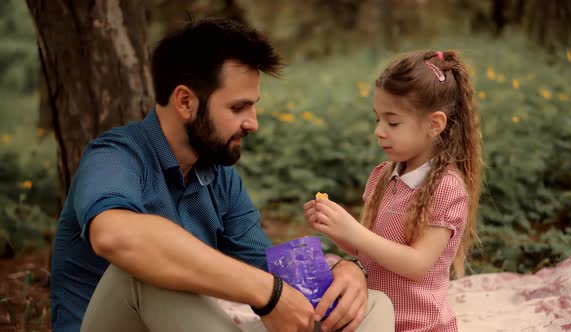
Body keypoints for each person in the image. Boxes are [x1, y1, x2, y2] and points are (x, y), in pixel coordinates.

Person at [49, 17, 394, 332]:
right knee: (142, 267)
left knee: (370, 306)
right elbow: (116, 237)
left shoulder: (217, 176)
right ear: (185, 102)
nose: (253, 122)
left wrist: (347, 271)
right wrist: (267, 293)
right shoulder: (114, 156)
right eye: (238, 107)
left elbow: (271, 268)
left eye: (253, 105)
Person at [304, 50, 483, 331]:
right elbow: (366, 250)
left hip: (419, 325)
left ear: (434, 124)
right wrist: (334, 227)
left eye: (393, 122)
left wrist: (354, 231)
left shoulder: (447, 187)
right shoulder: (382, 175)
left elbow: (417, 264)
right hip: (373, 319)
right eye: (377, 119)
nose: (379, 130)